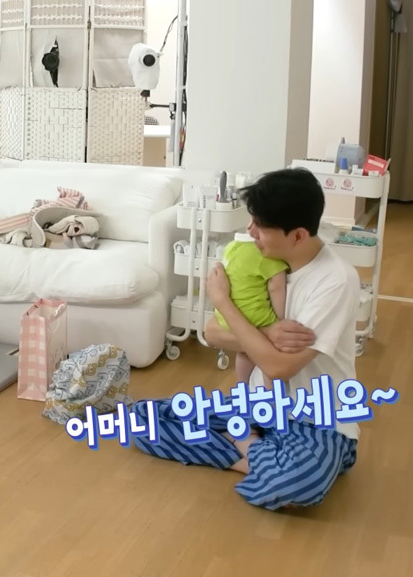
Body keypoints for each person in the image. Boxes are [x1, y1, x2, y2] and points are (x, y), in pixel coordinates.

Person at [131, 168, 361, 510]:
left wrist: (222, 300)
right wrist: (267, 333)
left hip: (315, 421)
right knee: (140, 420)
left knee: (296, 484)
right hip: (256, 405)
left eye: (260, 226)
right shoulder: (256, 261)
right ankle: (261, 454)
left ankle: (244, 444)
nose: (250, 231)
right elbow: (212, 332)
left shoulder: (335, 280)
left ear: (298, 235)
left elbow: (279, 367)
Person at [213, 231, 288, 386]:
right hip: (252, 316)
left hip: (226, 316)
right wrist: (280, 317)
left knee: (245, 351)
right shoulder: (266, 253)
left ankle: (243, 385)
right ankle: (271, 392)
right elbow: (276, 286)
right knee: (270, 353)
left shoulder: (232, 246)